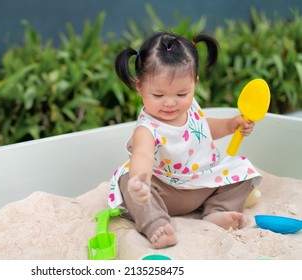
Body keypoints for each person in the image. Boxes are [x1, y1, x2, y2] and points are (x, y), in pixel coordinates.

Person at [108, 31, 262, 249]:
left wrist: (231, 124)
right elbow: (142, 154)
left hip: (201, 182)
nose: (170, 103)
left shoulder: (191, 108)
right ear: (140, 87)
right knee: (127, 182)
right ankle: (157, 224)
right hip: (165, 190)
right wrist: (139, 181)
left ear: (194, 83)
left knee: (243, 170)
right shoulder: (147, 128)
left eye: (181, 94)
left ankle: (216, 212)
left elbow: (203, 127)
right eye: (159, 95)